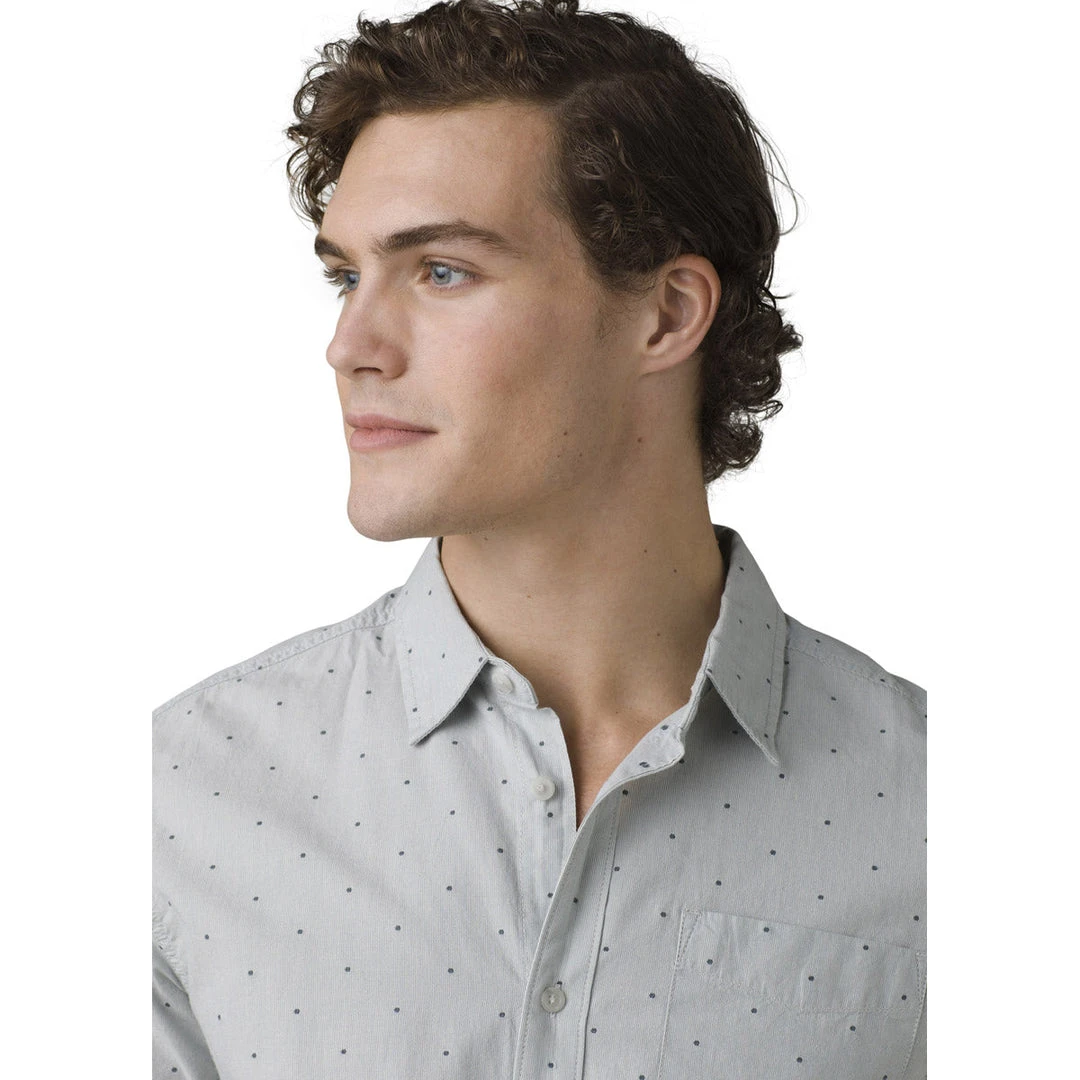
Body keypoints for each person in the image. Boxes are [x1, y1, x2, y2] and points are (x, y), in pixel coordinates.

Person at [152, 1, 926, 1076]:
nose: (350, 345)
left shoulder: (938, 807)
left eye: (441, 271)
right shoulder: (185, 794)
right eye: (346, 275)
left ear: (666, 314)